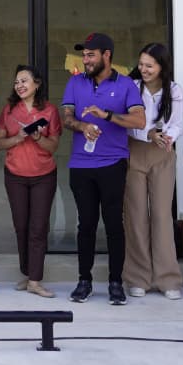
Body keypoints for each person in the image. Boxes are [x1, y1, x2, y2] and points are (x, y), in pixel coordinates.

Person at [60, 32, 145, 305]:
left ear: (106, 55)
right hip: (80, 164)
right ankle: (84, 281)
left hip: (112, 164)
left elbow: (139, 120)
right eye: (83, 55)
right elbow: (66, 117)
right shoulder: (75, 82)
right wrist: (82, 125)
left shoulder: (127, 85)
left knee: (113, 226)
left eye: (90, 55)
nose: (85, 59)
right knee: (85, 225)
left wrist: (107, 115)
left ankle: (115, 283)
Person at [124, 42, 183, 300]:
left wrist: (165, 137)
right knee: (136, 215)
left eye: (149, 65)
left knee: (161, 215)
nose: (144, 69)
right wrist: (147, 133)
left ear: (162, 66)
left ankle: (168, 278)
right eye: (141, 64)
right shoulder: (131, 87)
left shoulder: (174, 90)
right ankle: (138, 277)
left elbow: (177, 122)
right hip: (135, 150)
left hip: (162, 153)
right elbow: (124, 123)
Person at [0, 65, 61, 298]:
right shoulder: (9, 110)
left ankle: (35, 280)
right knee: (21, 226)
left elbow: (53, 146)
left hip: (43, 175)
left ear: (37, 84)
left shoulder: (50, 111)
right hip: (15, 176)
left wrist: (38, 137)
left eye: (24, 81)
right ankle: (27, 271)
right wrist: (18, 137)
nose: (20, 85)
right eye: (16, 82)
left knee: (38, 228)